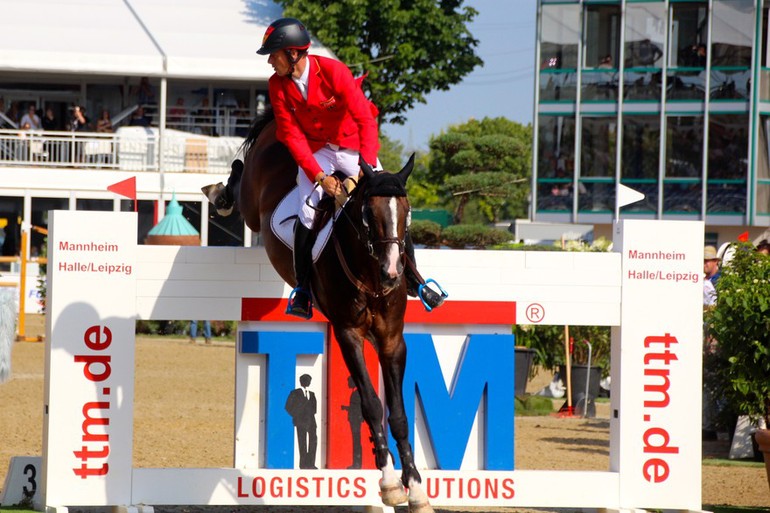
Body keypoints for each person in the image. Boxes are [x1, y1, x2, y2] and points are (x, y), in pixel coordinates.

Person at [255, 17, 445, 318]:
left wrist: (366, 168)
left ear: (293, 54)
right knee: (307, 210)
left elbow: (365, 120)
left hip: (352, 147)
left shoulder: (333, 72)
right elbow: (291, 134)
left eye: (272, 54)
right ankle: (303, 289)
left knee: (389, 196)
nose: (269, 61)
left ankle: (415, 279)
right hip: (317, 153)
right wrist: (319, 177)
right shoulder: (277, 85)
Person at [284, 373, 317, 469]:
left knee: (313, 441)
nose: (308, 382)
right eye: (306, 380)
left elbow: (314, 408)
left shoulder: (312, 394)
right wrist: (297, 415)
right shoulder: (294, 393)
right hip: (301, 421)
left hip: (311, 421)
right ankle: (303, 464)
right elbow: (288, 406)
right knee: (302, 442)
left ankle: (311, 464)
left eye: (309, 380)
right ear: (301, 381)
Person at [341, 375, 363, 469]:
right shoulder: (355, 392)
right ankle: (356, 463)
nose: (348, 384)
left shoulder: (357, 393)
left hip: (355, 420)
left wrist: (346, 408)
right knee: (356, 441)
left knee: (356, 441)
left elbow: (357, 408)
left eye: (349, 381)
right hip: (354, 419)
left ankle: (357, 464)